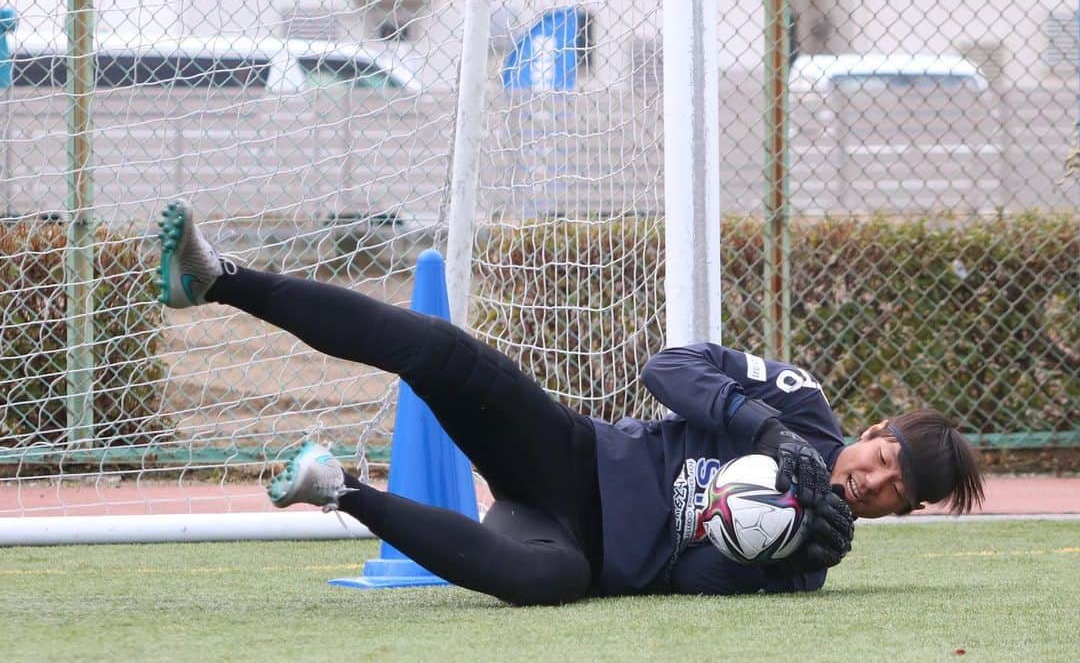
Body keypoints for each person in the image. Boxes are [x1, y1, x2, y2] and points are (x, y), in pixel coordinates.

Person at [156, 200, 985, 606]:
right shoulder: (799, 405)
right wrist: (761, 428)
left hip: (583, 550)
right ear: (872, 432)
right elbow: (669, 367)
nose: (869, 481)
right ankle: (220, 279)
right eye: (880, 458)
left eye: (891, 491)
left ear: (897, 513)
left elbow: (688, 580)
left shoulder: (811, 565)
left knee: (540, 581)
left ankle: (337, 488)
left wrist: (779, 547)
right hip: (573, 452)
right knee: (443, 352)